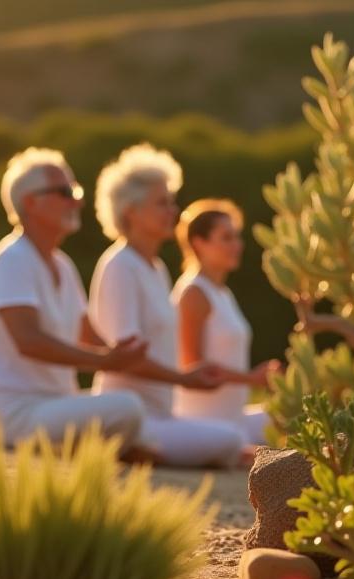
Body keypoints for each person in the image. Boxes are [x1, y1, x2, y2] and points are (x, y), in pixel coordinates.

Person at [0, 147, 154, 457]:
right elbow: (29, 342)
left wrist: (128, 355)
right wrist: (106, 360)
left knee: (132, 405)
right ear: (30, 202)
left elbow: (87, 335)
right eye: (65, 192)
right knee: (128, 407)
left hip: (53, 405)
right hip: (11, 413)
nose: (77, 200)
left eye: (75, 190)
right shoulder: (13, 258)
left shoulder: (62, 265)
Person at [88, 143, 248, 468]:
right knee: (231, 439)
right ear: (130, 211)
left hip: (163, 415)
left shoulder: (156, 269)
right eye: (162, 203)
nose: (173, 212)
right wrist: (184, 379)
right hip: (133, 416)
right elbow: (126, 356)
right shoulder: (119, 265)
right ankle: (132, 447)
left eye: (172, 202)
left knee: (233, 438)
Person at [172, 198, 279, 448]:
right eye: (226, 237)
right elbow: (192, 365)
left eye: (237, 237)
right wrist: (252, 378)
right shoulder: (193, 293)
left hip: (234, 418)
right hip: (202, 422)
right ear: (199, 243)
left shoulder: (222, 293)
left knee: (294, 415)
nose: (237, 245)